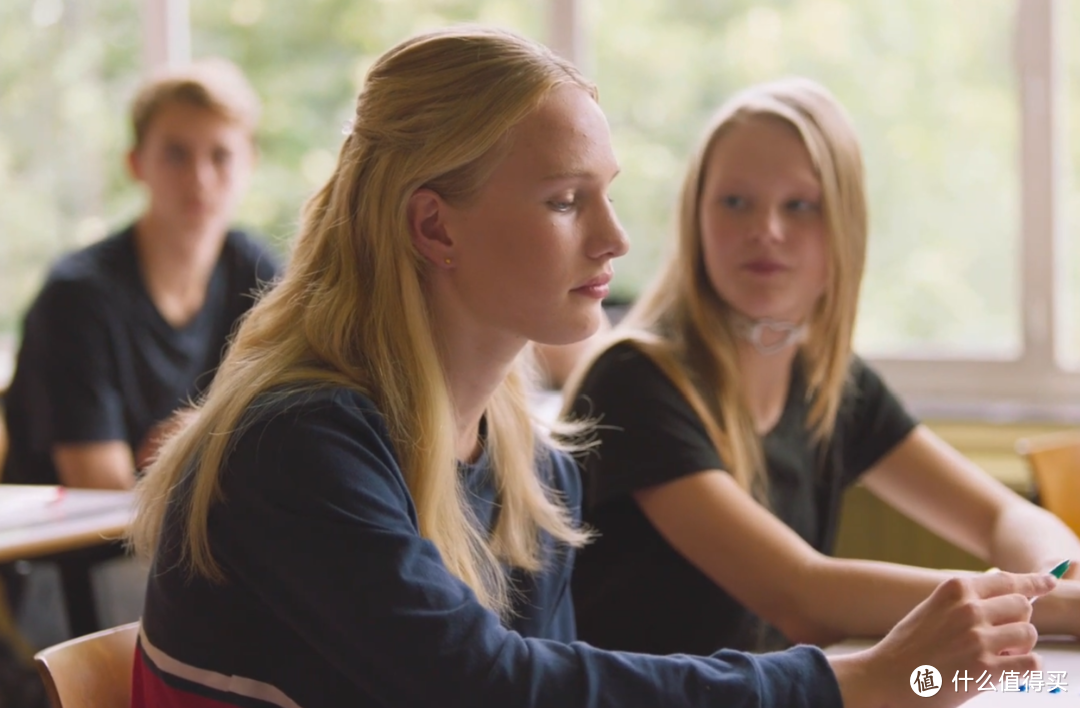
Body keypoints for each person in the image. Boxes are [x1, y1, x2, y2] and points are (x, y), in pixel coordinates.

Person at [127, 28, 1054, 708]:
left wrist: (907, 673)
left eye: (608, 196)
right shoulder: (299, 441)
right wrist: (860, 683)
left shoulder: (531, 458)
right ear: (434, 226)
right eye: (568, 201)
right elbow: (483, 688)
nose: (615, 241)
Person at [563, 77, 1080, 658]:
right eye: (736, 202)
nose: (767, 230)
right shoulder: (634, 380)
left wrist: (1058, 576)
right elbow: (800, 595)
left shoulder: (828, 379)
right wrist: (1054, 607)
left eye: (800, 206)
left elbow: (999, 515)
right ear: (695, 219)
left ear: (844, 228)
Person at [2, 57, 280, 491]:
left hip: (197, 535)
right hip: (76, 551)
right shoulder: (77, 297)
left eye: (221, 155)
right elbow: (99, 488)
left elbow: (300, 431)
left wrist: (195, 438)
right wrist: (223, 443)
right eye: (176, 154)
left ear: (250, 164)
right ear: (135, 163)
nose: (200, 179)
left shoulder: (259, 274)